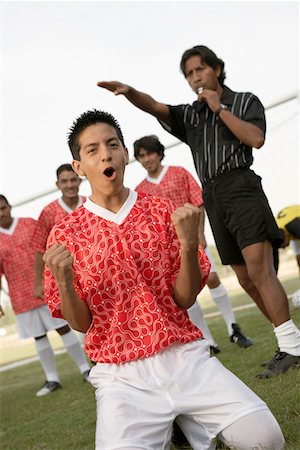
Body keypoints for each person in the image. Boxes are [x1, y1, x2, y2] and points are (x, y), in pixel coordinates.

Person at [43, 109, 285, 449]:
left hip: (185, 357)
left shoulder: (160, 211)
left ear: (125, 154)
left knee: (266, 439)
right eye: (92, 150)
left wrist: (188, 246)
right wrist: (65, 282)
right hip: (121, 375)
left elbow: (183, 299)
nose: (106, 154)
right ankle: (183, 427)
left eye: (112, 144)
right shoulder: (65, 234)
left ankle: (186, 424)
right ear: (79, 167)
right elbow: (82, 324)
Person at [97, 45, 300, 378]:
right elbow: (154, 107)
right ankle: (289, 343)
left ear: (217, 69)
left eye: (200, 70)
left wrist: (219, 107)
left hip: (241, 187)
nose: (195, 78)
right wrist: (130, 92)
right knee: (246, 278)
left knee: (260, 271)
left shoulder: (245, 100)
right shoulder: (190, 115)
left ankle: (291, 347)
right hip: (214, 194)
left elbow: (256, 138)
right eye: (189, 74)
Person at [134, 134, 253, 353]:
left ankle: (232, 327)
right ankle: (207, 340)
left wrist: (199, 233)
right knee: (185, 291)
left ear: (159, 153)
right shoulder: (140, 190)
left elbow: (198, 202)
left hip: (192, 238)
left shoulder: (179, 172)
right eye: (141, 156)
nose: (146, 159)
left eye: (149, 153)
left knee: (213, 278)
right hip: (167, 250)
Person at [0, 195, 91, 397]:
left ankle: (85, 368)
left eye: (3, 208)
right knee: (38, 336)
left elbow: (46, 248)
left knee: (63, 328)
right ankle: (52, 378)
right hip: (20, 295)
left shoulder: (29, 224)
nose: (2, 213)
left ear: (10, 207)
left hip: (44, 289)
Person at [33, 163, 86, 299]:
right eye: (64, 181)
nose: (69, 185)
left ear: (79, 180)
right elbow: (39, 248)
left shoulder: (90, 204)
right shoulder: (48, 212)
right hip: (65, 277)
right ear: (58, 184)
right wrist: (39, 282)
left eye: (73, 180)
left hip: (94, 272)